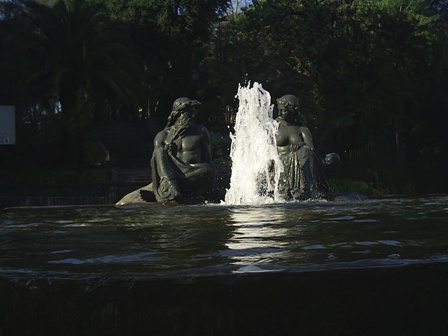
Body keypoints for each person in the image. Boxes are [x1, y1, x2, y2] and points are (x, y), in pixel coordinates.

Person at [150, 97, 218, 202]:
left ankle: (175, 189)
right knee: (159, 151)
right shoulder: (163, 135)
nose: (193, 115)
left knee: (206, 168)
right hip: (171, 176)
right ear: (178, 113)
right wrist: (168, 153)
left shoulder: (200, 132)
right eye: (189, 112)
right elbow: (156, 161)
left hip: (192, 176)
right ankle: (171, 187)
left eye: (194, 112)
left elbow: (208, 160)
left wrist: (214, 186)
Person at [275, 94, 339, 200]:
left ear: (292, 111)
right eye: (280, 110)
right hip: (281, 163)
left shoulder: (302, 129)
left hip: (300, 162)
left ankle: (309, 187)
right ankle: (310, 188)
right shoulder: (274, 126)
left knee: (315, 153)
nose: (280, 113)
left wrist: (301, 144)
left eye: (284, 111)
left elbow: (311, 150)